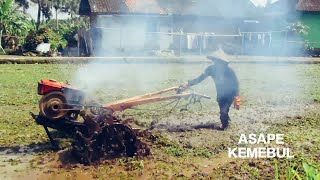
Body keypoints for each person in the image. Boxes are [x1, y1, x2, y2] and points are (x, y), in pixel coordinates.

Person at [178, 48, 241, 130]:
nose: (218, 63)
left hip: (230, 94)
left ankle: (224, 128)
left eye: (220, 62)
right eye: (216, 61)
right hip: (221, 94)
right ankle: (226, 120)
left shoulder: (230, 70)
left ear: (223, 62)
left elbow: (236, 84)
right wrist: (188, 84)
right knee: (223, 110)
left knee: (223, 111)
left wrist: (237, 98)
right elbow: (199, 78)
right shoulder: (211, 69)